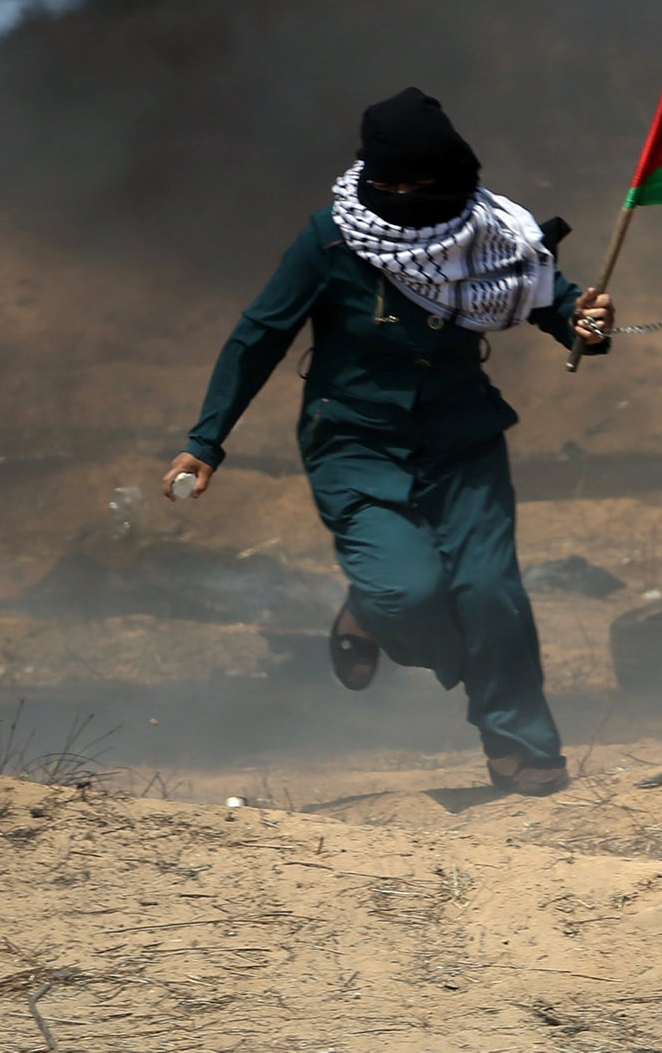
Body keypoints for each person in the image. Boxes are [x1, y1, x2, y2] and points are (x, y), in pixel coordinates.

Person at [162, 88, 614, 798]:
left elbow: (547, 296)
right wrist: (206, 439)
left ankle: (517, 744)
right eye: (389, 184)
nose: (403, 196)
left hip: (463, 441)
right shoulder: (333, 239)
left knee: (491, 594)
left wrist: (584, 321)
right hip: (355, 444)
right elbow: (260, 335)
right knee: (409, 594)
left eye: (419, 184)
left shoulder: (490, 231)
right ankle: (370, 612)